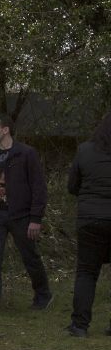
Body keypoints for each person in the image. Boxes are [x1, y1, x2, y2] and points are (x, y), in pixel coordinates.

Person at [0, 114, 51, 317]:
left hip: (20, 215)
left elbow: (38, 187)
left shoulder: (26, 154)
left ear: (5, 130)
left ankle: (43, 294)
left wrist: (35, 218)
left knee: (30, 256)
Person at [66, 112, 111, 337]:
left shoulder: (85, 150)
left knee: (86, 272)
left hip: (90, 220)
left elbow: (72, 186)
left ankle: (80, 325)